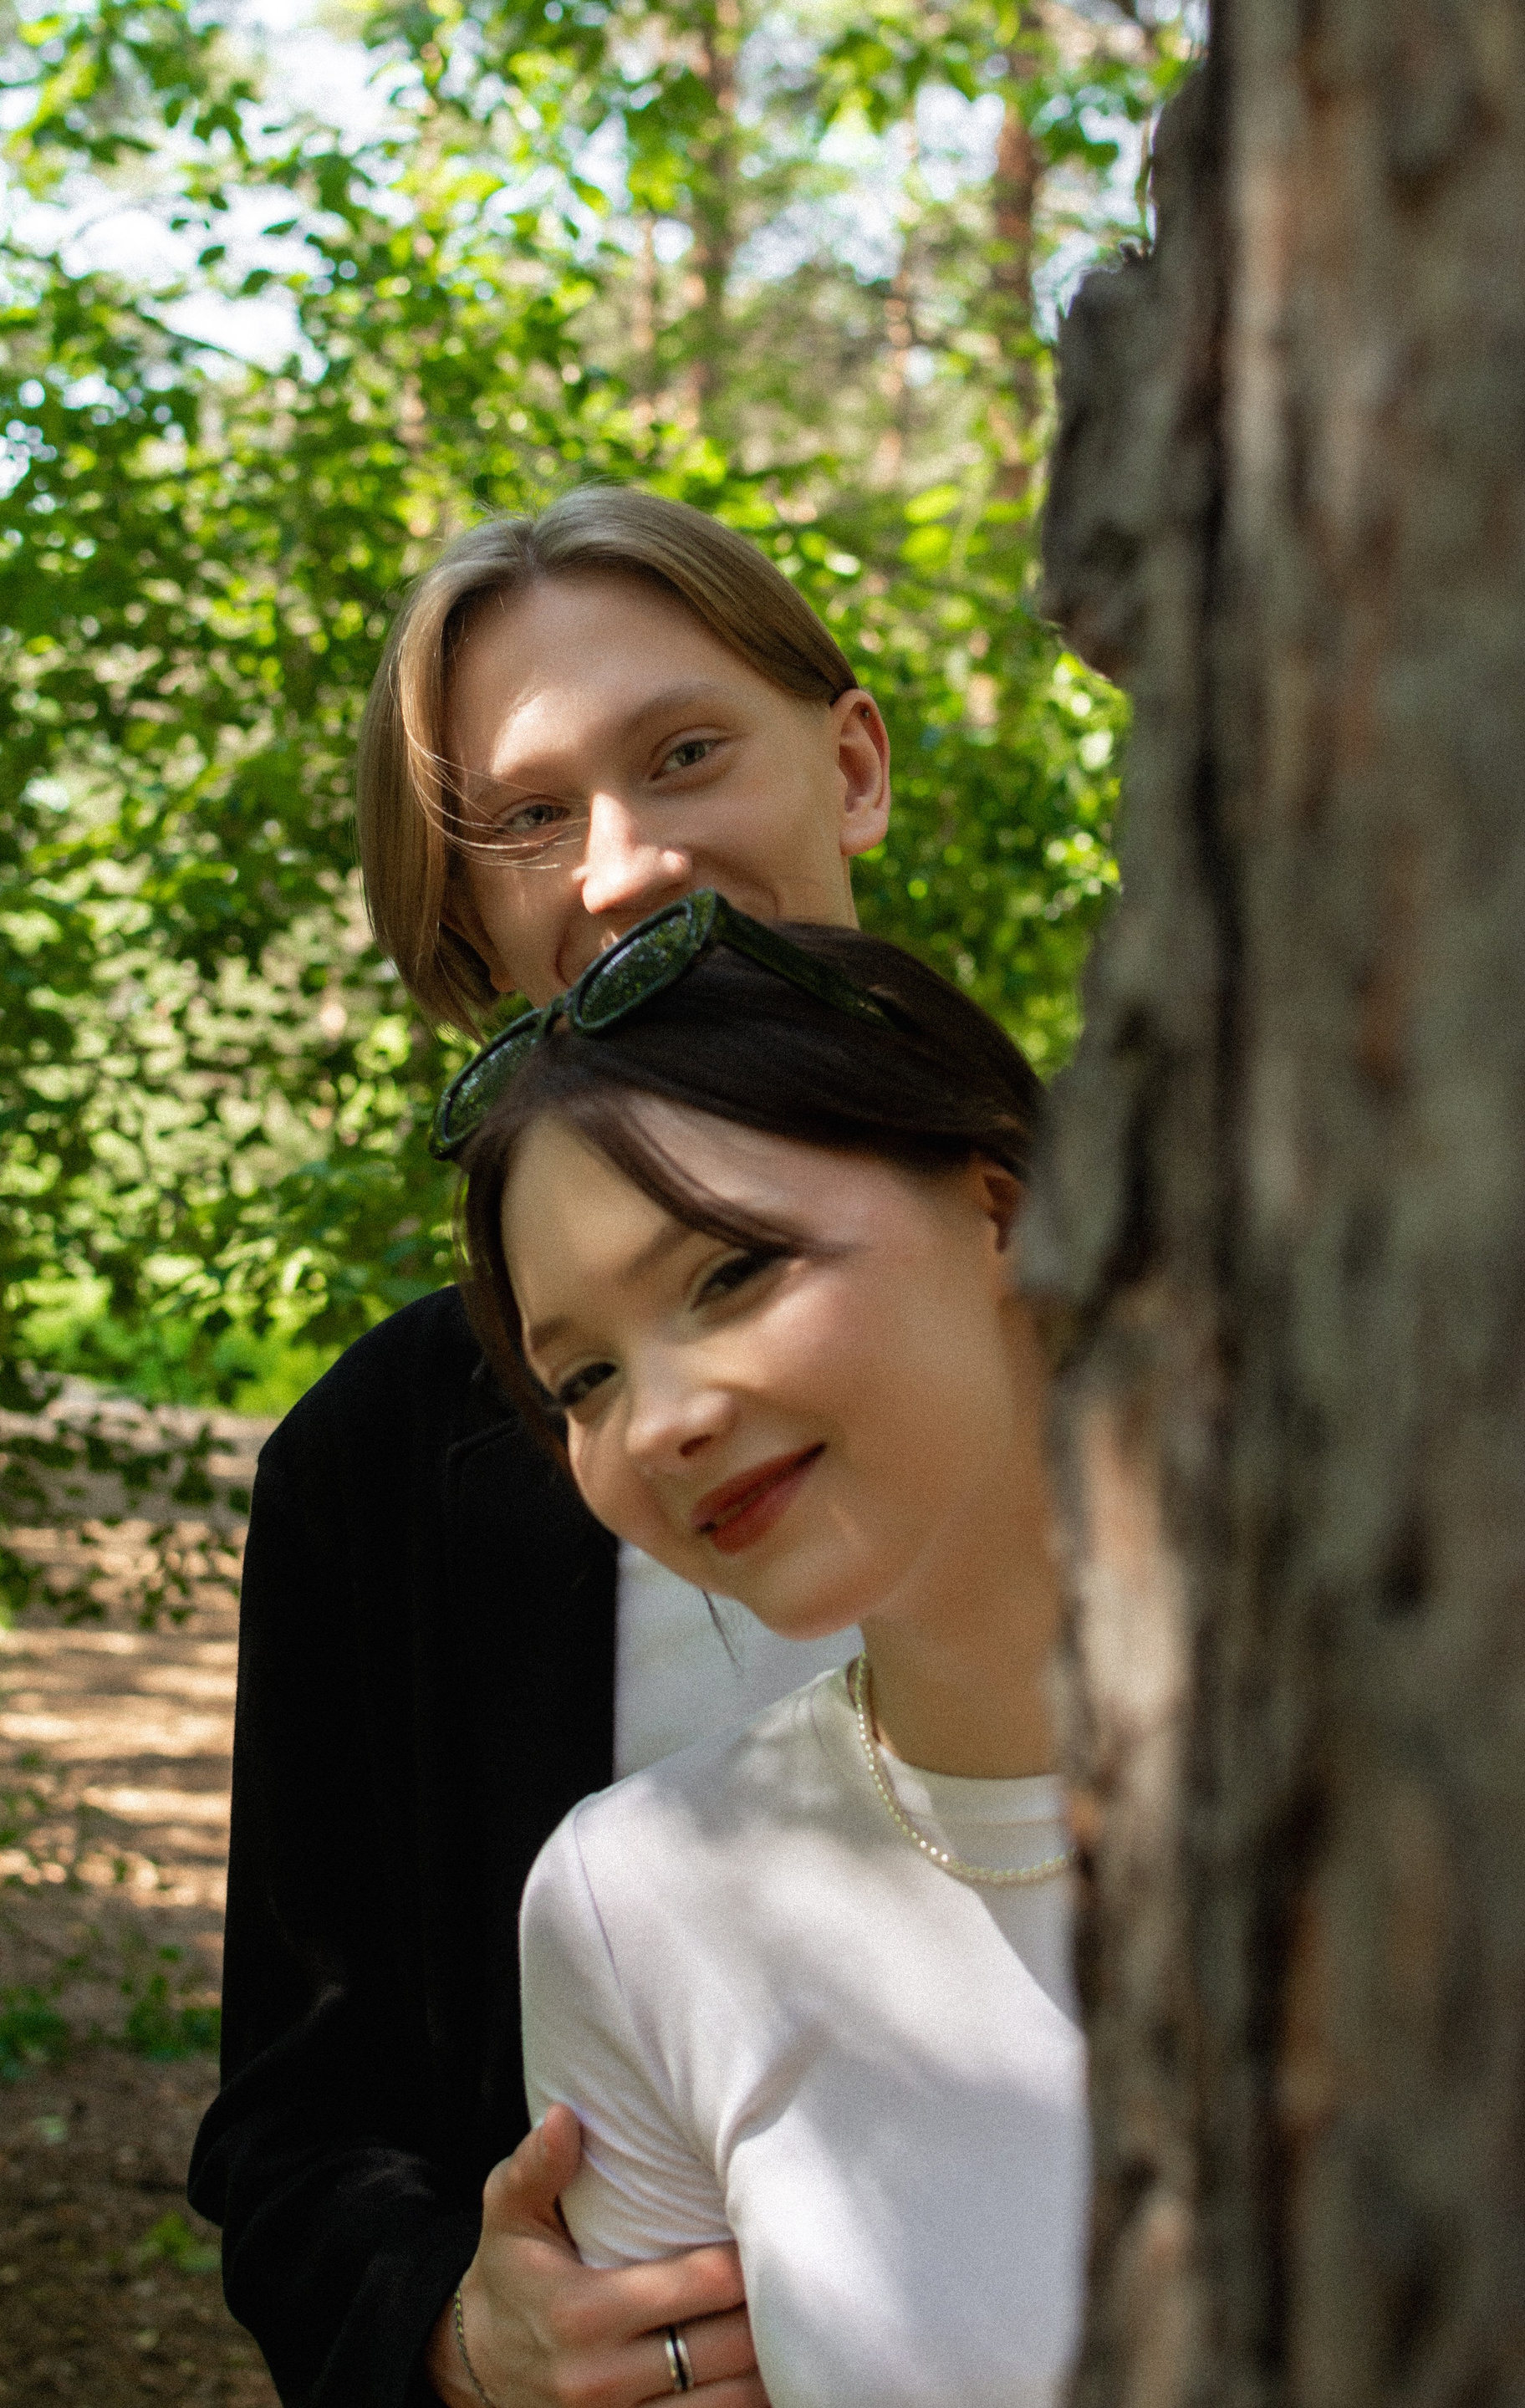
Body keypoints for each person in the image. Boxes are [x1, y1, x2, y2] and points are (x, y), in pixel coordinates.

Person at [188, 489, 905, 2408]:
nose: (629, 865)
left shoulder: (1205, 1295)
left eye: (685, 754)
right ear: (466, 920)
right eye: (523, 819)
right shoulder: (374, 1467)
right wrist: (462, 2332)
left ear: (850, 766)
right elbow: (298, 2134)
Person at [441, 894, 1087, 2408]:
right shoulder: (636, 1907)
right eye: (584, 1380)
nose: (658, 1424)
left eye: (729, 1273)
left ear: (999, 1208)